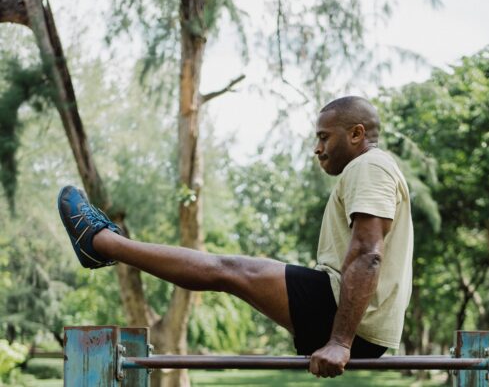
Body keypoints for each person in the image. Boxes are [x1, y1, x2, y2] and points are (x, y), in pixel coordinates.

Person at [57, 96, 414, 378]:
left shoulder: (370, 165)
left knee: (227, 269)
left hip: (350, 321)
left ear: (356, 134)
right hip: (353, 317)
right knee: (228, 270)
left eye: (324, 136)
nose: (317, 148)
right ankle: (104, 244)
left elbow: (369, 252)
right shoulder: (371, 168)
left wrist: (340, 341)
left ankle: (101, 243)